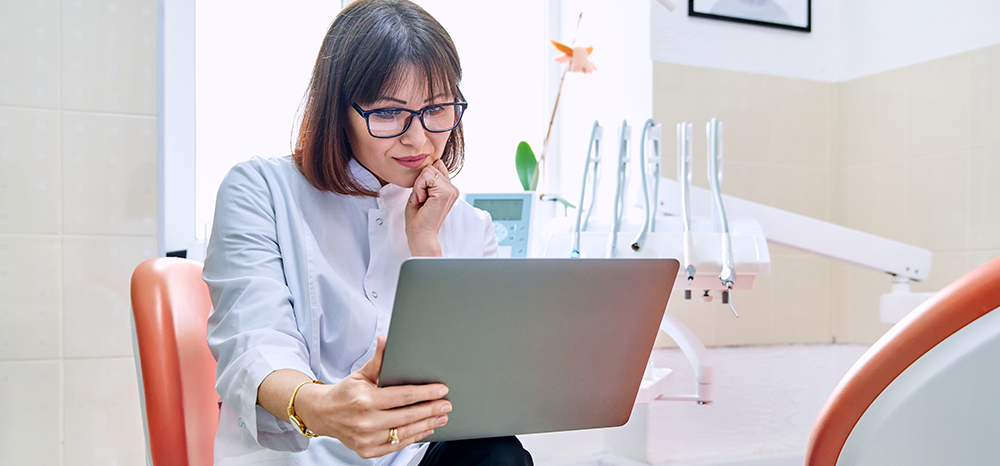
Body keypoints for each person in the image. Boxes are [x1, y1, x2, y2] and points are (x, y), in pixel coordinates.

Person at [202, 1, 534, 464]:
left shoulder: (466, 223)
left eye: (436, 109)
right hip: (304, 457)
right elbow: (254, 343)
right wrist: (321, 408)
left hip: (420, 458)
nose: (418, 140)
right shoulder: (261, 190)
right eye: (388, 113)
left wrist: (426, 254)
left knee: (497, 453)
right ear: (338, 111)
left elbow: (473, 383)